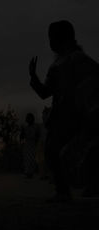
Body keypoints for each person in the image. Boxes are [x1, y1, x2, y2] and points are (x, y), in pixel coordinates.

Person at [29, 20, 99, 201]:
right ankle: (63, 191)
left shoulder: (78, 60)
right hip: (62, 116)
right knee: (52, 151)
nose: (50, 41)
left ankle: (87, 186)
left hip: (79, 115)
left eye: (52, 37)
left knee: (83, 150)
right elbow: (45, 92)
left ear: (63, 38)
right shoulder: (58, 64)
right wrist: (34, 77)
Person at [20, 113, 39, 178]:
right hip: (27, 145)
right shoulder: (26, 127)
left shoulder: (35, 127)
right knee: (27, 159)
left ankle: (30, 172)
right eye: (28, 118)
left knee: (32, 159)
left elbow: (37, 136)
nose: (28, 120)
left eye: (29, 118)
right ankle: (28, 172)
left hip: (33, 144)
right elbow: (22, 137)